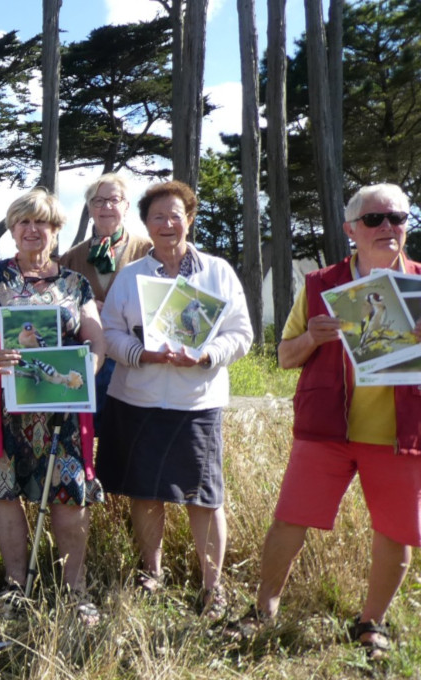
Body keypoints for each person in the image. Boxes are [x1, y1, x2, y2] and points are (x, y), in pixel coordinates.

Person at [239, 183, 421, 656]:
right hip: (326, 431)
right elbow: (283, 357)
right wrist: (314, 340)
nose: (388, 227)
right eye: (375, 219)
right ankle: (262, 611)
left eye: (398, 218)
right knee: (289, 522)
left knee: (397, 533)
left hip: (401, 435)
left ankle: (371, 624)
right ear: (350, 230)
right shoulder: (320, 284)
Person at [96, 180, 252, 618]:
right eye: (158, 217)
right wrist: (139, 354)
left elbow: (241, 333)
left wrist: (206, 355)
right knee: (146, 494)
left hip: (196, 402)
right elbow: (110, 333)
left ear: (190, 218)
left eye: (176, 214)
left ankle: (212, 588)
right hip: (137, 398)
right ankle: (152, 574)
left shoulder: (217, 272)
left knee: (204, 497)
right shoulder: (131, 278)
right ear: (145, 224)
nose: (167, 224)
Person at [0, 187, 106, 624]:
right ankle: (16, 586)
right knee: (5, 495)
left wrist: (88, 369)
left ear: (55, 230)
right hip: (4, 411)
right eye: (23, 222)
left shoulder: (76, 284)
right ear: (13, 230)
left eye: (41, 222)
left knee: (68, 496)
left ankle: (76, 591)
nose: (31, 230)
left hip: (62, 413)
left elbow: (95, 339)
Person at [59, 174, 152, 431]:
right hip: (87, 360)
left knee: (125, 438)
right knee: (84, 435)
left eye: (114, 200)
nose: (106, 207)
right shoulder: (70, 258)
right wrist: (84, 308)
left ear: (126, 206)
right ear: (89, 209)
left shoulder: (149, 252)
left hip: (131, 362)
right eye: (98, 201)